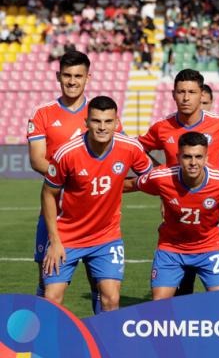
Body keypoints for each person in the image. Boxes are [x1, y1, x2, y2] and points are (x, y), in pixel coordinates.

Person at [139, 69, 219, 295]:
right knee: (181, 289)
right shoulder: (161, 127)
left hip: (212, 216)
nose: (186, 98)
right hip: (177, 213)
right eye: (181, 92)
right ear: (173, 94)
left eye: (192, 92)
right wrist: (157, 176)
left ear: (201, 94)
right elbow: (138, 150)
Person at [41, 96, 152, 311]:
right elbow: (48, 193)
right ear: (86, 122)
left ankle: (106, 345)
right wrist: (54, 241)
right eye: (96, 121)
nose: (102, 127)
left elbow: (150, 178)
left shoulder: (130, 148)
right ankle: (48, 345)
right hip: (67, 236)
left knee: (111, 298)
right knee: (51, 298)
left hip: (106, 237)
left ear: (117, 122)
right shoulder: (67, 153)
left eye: (108, 121)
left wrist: (119, 184)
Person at [27, 51, 117, 314]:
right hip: (56, 212)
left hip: (96, 216)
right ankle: (41, 343)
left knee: (101, 285)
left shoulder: (101, 114)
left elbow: (116, 155)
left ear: (88, 77)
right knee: (47, 281)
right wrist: (75, 179)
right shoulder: (43, 113)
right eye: (67, 75)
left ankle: (102, 343)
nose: (72, 81)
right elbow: (37, 159)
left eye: (78, 75)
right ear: (58, 76)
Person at [128, 132, 219, 300]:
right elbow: (130, 184)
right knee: (159, 307)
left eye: (198, 157)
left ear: (207, 158)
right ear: (178, 157)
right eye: (187, 157)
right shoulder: (161, 177)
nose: (193, 163)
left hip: (210, 248)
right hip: (171, 249)